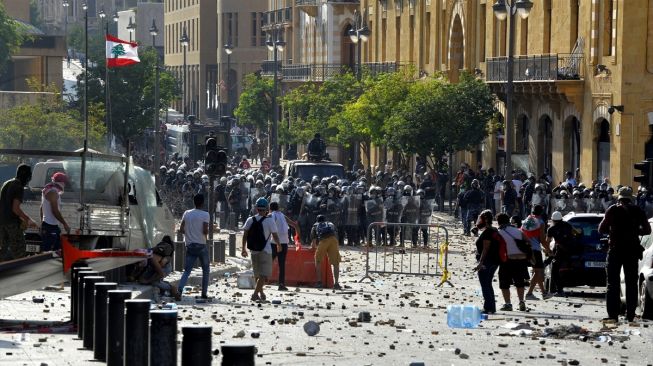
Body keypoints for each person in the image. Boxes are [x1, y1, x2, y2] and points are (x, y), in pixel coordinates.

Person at [598, 186, 650, 323]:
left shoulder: (613, 210)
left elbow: (601, 228)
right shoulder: (638, 211)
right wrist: (634, 231)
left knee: (612, 284)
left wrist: (614, 231)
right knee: (631, 283)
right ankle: (630, 314)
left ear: (619, 197)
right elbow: (647, 229)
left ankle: (613, 315)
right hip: (632, 250)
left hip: (615, 250)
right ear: (630, 198)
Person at [242, 197, 281, 301]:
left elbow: (245, 235)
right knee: (263, 275)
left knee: (257, 274)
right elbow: (275, 235)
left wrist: (243, 249)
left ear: (256, 208)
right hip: (266, 250)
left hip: (253, 251)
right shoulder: (270, 221)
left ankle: (261, 292)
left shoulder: (250, 220)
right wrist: (279, 245)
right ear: (267, 208)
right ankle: (255, 294)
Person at [0, 164, 38, 262]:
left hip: (2, 223)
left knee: (2, 250)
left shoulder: (6, 183)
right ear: (26, 176)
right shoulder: (18, 186)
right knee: (20, 252)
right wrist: (28, 219)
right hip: (11, 224)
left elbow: (6, 206)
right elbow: (15, 209)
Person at [177, 194, 211, 300]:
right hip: (201, 245)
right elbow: (205, 230)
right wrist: (206, 236)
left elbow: (181, 229)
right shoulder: (205, 214)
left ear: (194, 202)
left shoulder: (187, 213)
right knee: (206, 270)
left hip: (190, 245)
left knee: (187, 271)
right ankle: (204, 293)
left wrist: (189, 234)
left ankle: (179, 291)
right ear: (203, 203)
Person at [496, 213, 529, 311]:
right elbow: (528, 242)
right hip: (521, 260)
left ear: (498, 222)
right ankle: (521, 301)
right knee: (520, 282)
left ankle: (508, 304)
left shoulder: (499, 232)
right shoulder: (518, 231)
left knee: (504, 283)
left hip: (508, 260)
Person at [473, 210, 501, 314]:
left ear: (485, 220)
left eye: (480, 218)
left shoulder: (488, 232)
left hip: (487, 262)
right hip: (492, 261)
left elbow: (486, 248)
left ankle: (488, 307)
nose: (478, 221)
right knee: (487, 284)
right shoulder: (492, 230)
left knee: (485, 284)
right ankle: (490, 307)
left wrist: (481, 262)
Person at [138, 235, 181, 301]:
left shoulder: (153, 260)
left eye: (140, 265)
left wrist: (148, 281)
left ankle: (172, 288)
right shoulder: (148, 258)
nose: (140, 266)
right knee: (142, 280)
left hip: (165, 267)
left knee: (154, 282)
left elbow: (161, 274)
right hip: (157, 266)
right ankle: (162, 287)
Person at [269, 201, 300, 291]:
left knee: (268, 262)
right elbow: (294, 225)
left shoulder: (271, 215)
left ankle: (260, 280)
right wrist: (298, 238)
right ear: (278, 208)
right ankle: (281, 284)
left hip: (274, 243)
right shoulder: (282, 215)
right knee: (281, 265)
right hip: (284, 243)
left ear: (270, 208)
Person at [544, 211, 576, 296]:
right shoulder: (568, 225)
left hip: (560, 252)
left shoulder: (551, 229)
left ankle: (559, 290)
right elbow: (575, 234)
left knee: (554, 270)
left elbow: (547, 242)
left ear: (553, 220)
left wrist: (549, 252)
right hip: (572, 251)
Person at [521, 205, 548, 300]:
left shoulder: (527, 219)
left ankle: (544, 293)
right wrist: (549, 250)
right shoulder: (541, 222)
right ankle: (529, 294)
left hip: (526, 249)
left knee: (537, 272)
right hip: (535, 250)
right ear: (541, 212)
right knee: (539, 271)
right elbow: (542, 240)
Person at [40, 172, 71, 253]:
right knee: (50, 253)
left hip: (50, 226)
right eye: (64, 183)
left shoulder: (48, 190)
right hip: (50, 227)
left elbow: (41, 208)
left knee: (54, 251)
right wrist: (65, 224)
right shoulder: (53, 192)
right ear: (62, 183)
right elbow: (55, 211)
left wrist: (42, 223)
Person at [311, 215, 341, 289]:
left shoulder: (315, 226)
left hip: (323, 241)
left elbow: (313, 243)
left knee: (318, 260)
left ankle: (319, 282)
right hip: (333, 241)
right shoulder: (331, 224)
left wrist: (313, 247)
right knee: (335, 263)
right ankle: (336, 284)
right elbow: (336, 235)